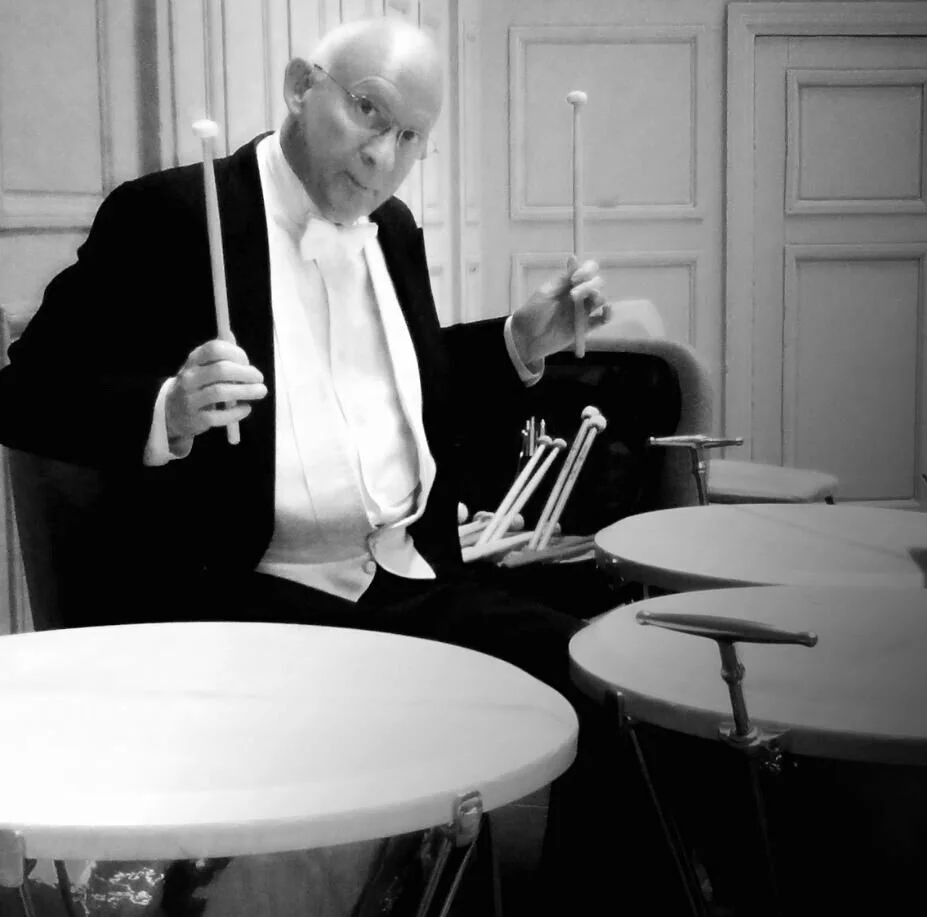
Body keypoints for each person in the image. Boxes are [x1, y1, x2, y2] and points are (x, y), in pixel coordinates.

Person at [0, 15, 687, 916]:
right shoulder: (170, 214)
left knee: (616, 688)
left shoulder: (391, 228)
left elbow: (403, 386)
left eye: (410, 138)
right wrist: (165, 408)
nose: (382, 157)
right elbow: (26, 391)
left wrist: (520, 342)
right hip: (250, 597)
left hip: (409, 581)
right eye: (369, 112)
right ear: (300, 86)